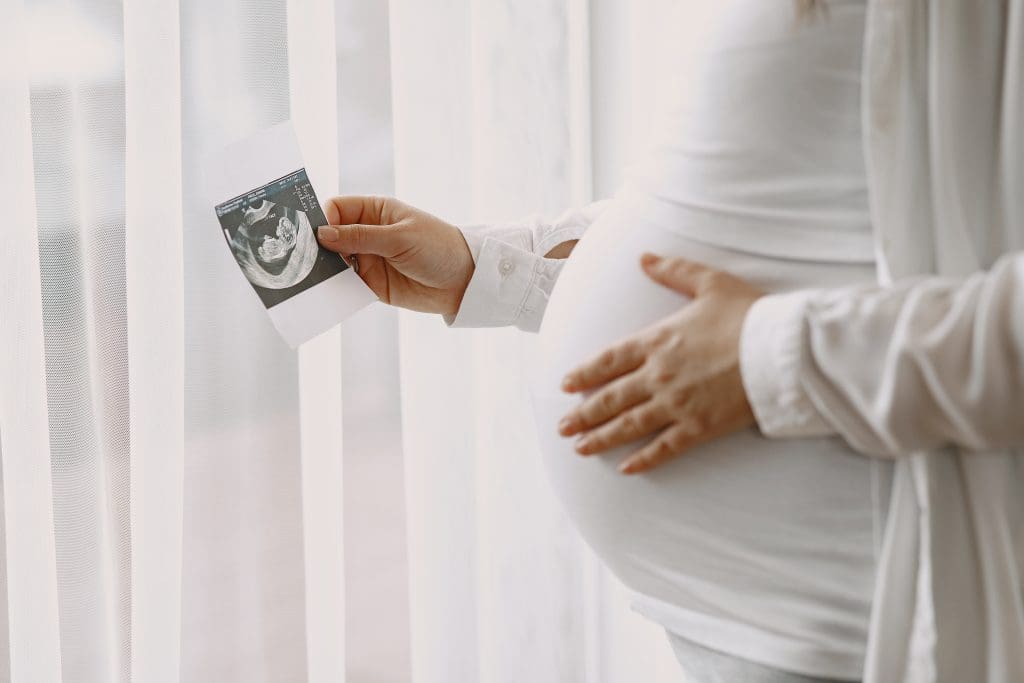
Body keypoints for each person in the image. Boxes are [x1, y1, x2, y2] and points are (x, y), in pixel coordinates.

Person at [316, 2, 1024, 681]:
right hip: (744, 625)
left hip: (840, 619)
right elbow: (763, 214)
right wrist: (487, 268)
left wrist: (773, 356)